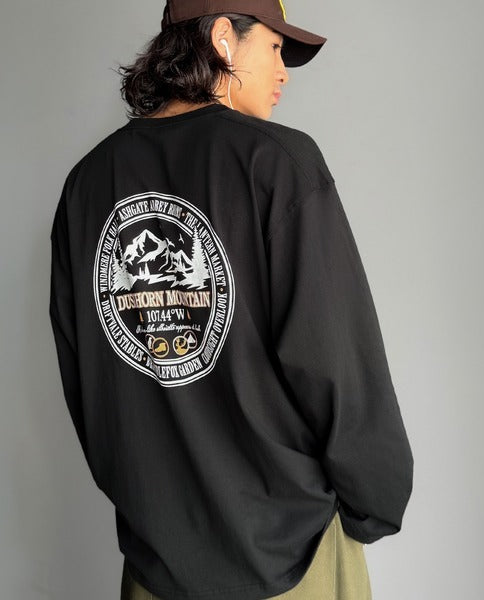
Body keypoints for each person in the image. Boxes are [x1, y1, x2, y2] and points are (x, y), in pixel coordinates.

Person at [49, 1, 414, 599]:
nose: (284, 71)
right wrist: (376, 500)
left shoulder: (87, 184)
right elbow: (337, 361)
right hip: (287, 556)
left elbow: (85, 381)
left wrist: (148, 512)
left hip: (155, 566)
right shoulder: (279, 163)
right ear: (223, 37)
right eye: (274, 47)